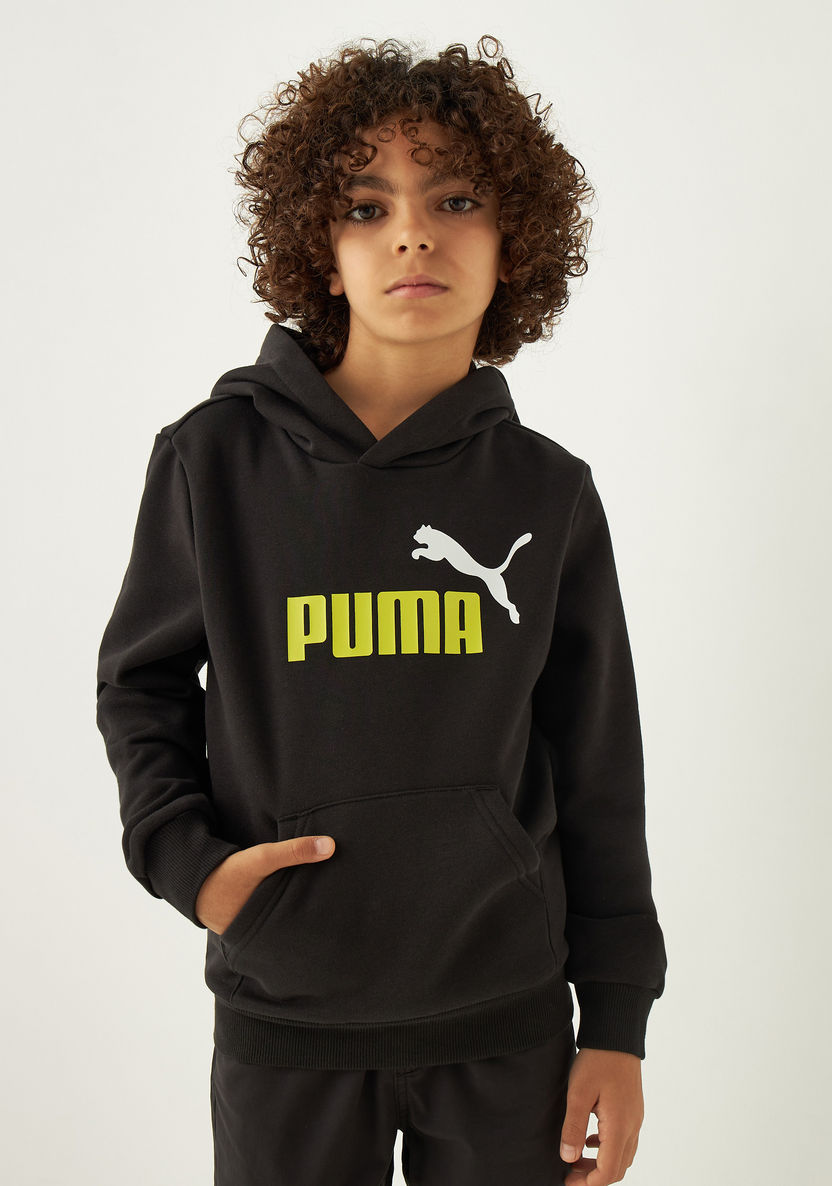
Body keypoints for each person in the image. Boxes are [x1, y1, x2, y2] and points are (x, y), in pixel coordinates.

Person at [95, 33, 667, 1186]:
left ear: (515, 241)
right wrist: (191, 863)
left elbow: (598, 766)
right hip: (285, 1021)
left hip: (505, 1024)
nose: (412, 232)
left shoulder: (547, 492)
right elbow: (140, 687)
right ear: (321, 249)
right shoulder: (214, 463)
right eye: (367, 207)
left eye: (454, 198)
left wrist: (615, 1017)